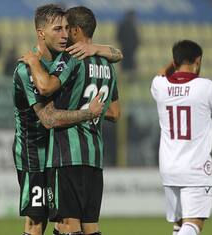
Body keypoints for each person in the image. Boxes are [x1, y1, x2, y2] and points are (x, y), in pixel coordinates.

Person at [21, 6, 120, 235]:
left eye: (67, 28)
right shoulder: (108, 65)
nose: (64, 34)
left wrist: (34, 63)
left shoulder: (72, 57)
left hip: (68, 153)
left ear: (76, 30)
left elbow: (46, 86)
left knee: (67, 225)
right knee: (90, 226)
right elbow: (114, 112)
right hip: (94, 155)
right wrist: (92, 110)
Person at [150, 40, 212, 235]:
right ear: (198, 61)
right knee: (194, 223)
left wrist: (173, 63)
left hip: (169, 167)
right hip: (195, 168)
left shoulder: (159, 86)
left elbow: (160, 73)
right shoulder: (207, 87)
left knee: (179, 223)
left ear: (174, 61)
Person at [116, 10, 139, 74]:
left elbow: (136, 39)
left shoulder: (132, 26)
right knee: (127, 66)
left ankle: (129, 80)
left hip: (129, 51)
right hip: (126, 51)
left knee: (129, 67)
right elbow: (118, 37)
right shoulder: (125, 26)